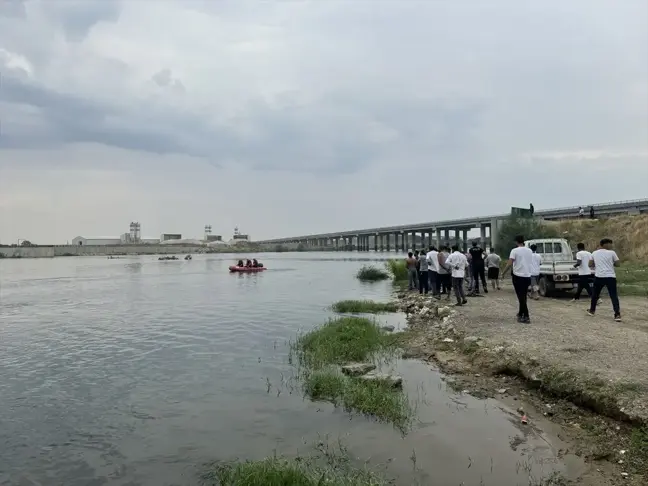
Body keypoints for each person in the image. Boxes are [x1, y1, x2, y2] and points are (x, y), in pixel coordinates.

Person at [587, 238, 621, 322]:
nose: (611, 245)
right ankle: (617, 314)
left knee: (595, 295)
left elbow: (590, 264)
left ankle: (592, 310)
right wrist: (610, 263)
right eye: (610, 244)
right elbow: (618, 264)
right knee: (613, 296)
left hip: (599, 276)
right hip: (610, 277)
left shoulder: (594, 253)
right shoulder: (612, 253)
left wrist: (597, 264)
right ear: (605, 244)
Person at [502, 235, 533, 324]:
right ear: (523, 241)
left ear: (516, 242)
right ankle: (520, 313)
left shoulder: (514, 251)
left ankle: (526, 316)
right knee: (523, 296)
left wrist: (503, 273)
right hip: (527, 275)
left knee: (521, 297)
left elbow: (510, 263)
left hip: (518, 276)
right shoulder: (529, 250)